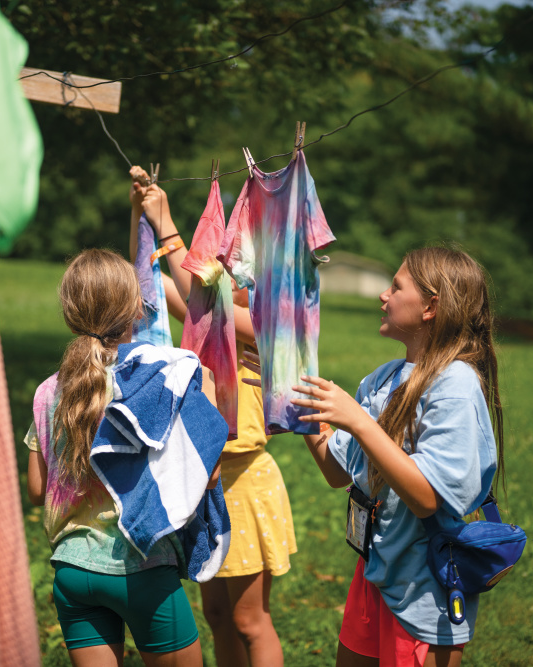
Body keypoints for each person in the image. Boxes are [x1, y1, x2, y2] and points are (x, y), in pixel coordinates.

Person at [284, 246, 504, 667]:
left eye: (396, 287)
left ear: (430, 307)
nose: (383, 296)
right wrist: (295, 400)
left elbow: (427, 498)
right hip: (375, 575)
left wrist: (359, 422)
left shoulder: (454, 384)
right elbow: (336, 470)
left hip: (424, 590)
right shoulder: (383, 378)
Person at [128, 167, 298, 667]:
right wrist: (141, 213)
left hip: (244, 486)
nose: (220, 272)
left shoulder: (269, 326)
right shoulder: (213, 317)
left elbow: (202, 294)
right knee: (219, 617)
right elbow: (155, 286)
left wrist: (167, 224)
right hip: (209, 482)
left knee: (250, 620)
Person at [24, 248, 221, 667]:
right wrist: (211, 397)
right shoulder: (157, 383)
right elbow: (207, 473)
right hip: (142, 568)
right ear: (136, 307)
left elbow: (38, 488)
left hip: (71, 570)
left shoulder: (46, 391)